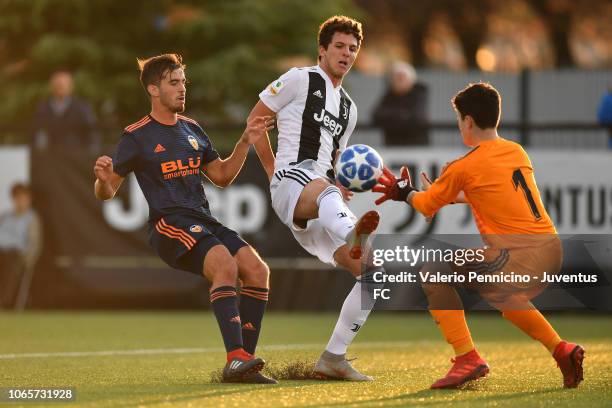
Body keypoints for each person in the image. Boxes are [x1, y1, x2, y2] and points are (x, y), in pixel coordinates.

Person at [374, 83, 584, 389]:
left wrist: (404, 192)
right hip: (550, 250)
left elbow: (426, 206)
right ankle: (562, 350)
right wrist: (451, 193)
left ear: (468, 121)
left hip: (520, 255)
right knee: (500, 293)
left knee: (434, 272)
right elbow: (493, 193)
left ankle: (467, 357)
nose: (460, 125)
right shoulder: (515, 151)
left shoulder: (465, 166)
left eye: (459, 119)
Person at [93, 54, 277, 384]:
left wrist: (244, 142)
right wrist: (104, 179)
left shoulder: (191, 128)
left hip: (203, 219)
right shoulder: (136, 136)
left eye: (183, 82)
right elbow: (106, 193)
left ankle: (244, 362)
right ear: (153, 89)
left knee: (257, 270)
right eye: (173, 83)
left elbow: (221, 176)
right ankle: (235, 359)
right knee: (226, 266)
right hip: (169, 224)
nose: (181, 89)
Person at [248, 15, 383, 381]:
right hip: (293, 181)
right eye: (339, 46)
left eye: (353, 48)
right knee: (324, 189)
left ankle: (334, 357)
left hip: (321, 197)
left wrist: (342, 186)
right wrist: (274, 171)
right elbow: (255, 122)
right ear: (322, 50)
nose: (346, 53)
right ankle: (353, 232)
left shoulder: (348, 109)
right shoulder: (299, 78)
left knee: (374, 275)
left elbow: (336, 163)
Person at [32, 71, 99, 152]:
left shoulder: (82, 108)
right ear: (52, 86)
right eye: (58, 84)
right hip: (51, 158)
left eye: (63, 84)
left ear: (71, 87)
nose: (60, 87)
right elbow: (39, 135)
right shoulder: (43, 108)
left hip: (77, 158)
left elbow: (92, 134)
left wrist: (91, 155)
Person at [0, 183, 42, 308]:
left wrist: (29, 259)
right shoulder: (5, 216)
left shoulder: (31, 219)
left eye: (24, 198)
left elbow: (34, 242)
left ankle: (4, 302)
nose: (21, 202)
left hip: (15, 254)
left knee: (10, 264)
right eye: (18, 198)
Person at [372, 61, 429, 146]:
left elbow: (416, 117)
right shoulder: (389, 95)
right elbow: (376, 116)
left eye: (402, 78)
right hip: (393, 146)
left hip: (416, 146)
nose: (399, 82)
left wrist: (391, 118)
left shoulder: (419, 94)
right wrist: (401, 115)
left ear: (411, 80)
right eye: (396, 78)